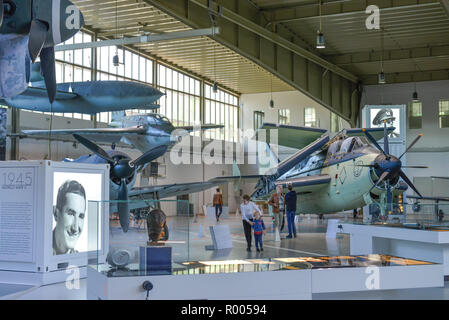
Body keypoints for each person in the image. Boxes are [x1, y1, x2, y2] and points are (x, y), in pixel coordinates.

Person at [53, 180, 86, 255]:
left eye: (81, 216)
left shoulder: (79, 258)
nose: (75, 228)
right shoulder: (40, 250)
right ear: (56, 214)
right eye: (71, 213)